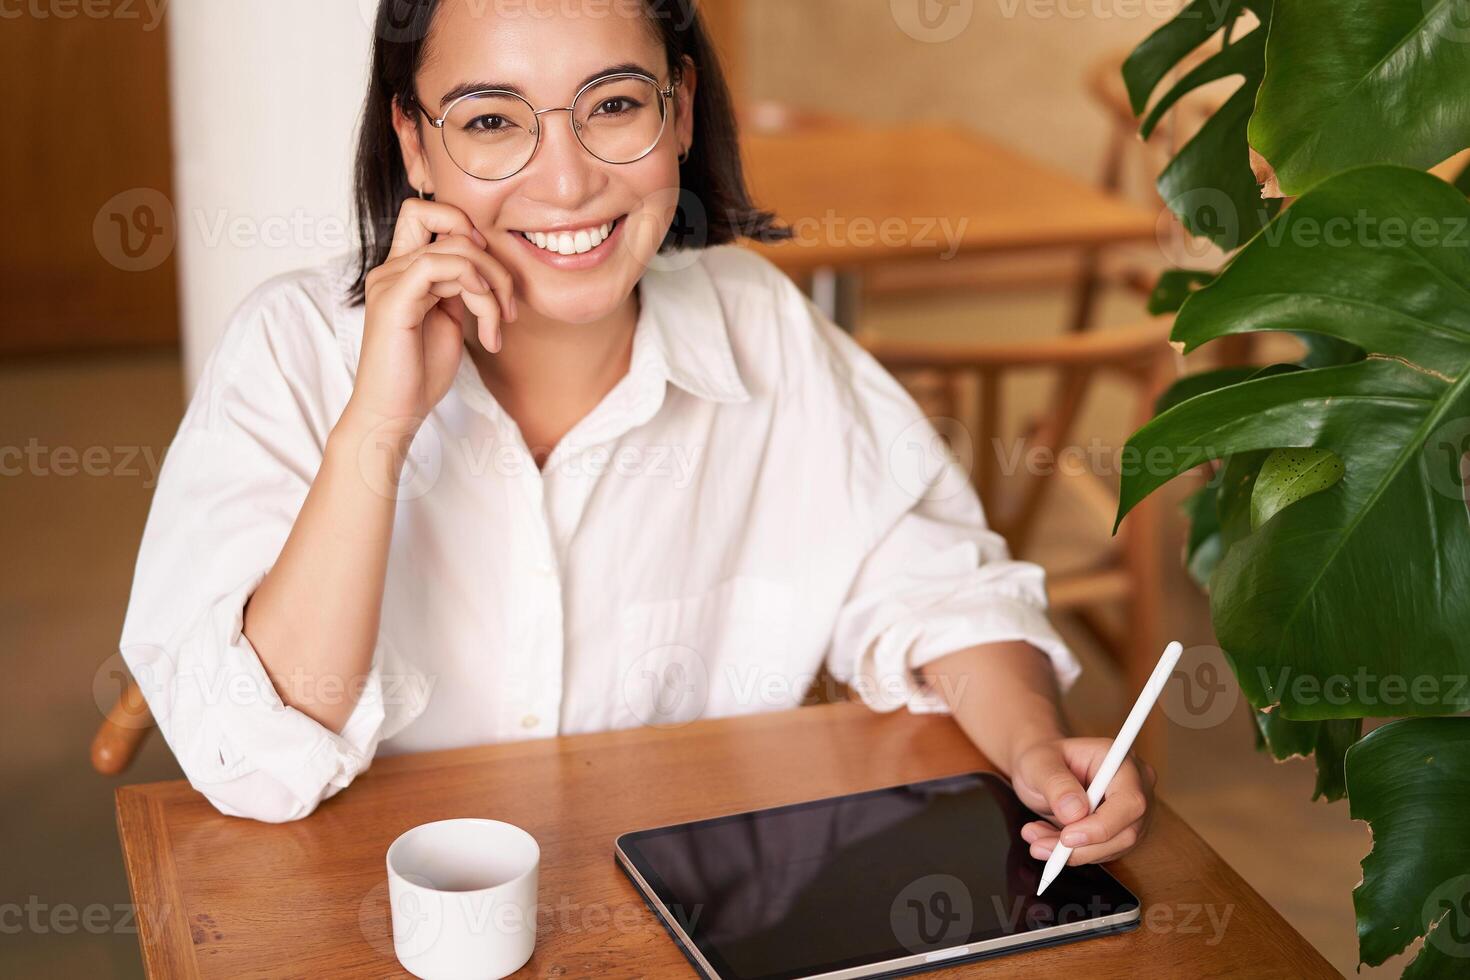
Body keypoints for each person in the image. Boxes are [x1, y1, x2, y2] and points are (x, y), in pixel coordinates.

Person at [119, 0, 1153, 875]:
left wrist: (1033, 747)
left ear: (682, 108)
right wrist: (378, 428)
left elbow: (937, 583)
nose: (566, 183)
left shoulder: (758, 324)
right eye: (490, 121)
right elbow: (255, 760)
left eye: (614, 106)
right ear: (414, 140)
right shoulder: (291, 346)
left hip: (678, 916)